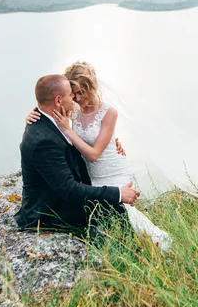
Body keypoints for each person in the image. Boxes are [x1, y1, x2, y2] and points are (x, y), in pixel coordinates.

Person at [25, 63, 172, 252]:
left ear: (90, 88)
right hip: (90, 176)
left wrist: (70, 131)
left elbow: (94, 153)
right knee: (107, 208)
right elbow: (49, 105)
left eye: (80, 93)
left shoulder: (108, 112)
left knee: (120, 208)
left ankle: (159, 243)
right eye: (73, 94)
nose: (77, 98)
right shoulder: (73, 110)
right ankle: (134, 244)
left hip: (110, 168)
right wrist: (33, 114)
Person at [15, 74, 140, 234]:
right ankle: (130, 250)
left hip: (63, 195)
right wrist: (117, 193)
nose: (74, 98)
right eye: (70, 94)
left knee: (115, 209)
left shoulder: (54, 118)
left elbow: (49, 92)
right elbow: (68, 189)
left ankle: (134, 248)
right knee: (114, 207)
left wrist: (109, 142)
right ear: (58, 100)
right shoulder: (43, 141)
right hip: (49, 211)